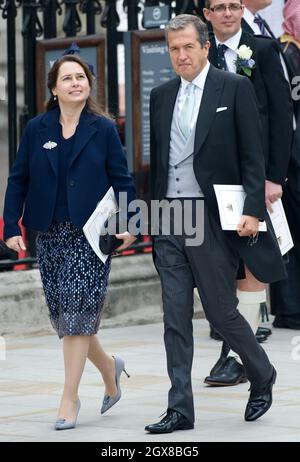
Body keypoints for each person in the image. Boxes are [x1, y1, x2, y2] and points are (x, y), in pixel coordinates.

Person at [145, 14, 284, 434]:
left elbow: (252, 156)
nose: (181, 55)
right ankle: (180, 409)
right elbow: (161, 162)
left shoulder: (234, 87)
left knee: (221, 313)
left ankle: (261, 372)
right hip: (169, 215)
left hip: (208, 216)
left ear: (205, 47)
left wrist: (254, 210)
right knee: (174, 317)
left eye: (188, 47)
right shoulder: (162, 94)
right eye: (174, 49)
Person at [3, 54, 136, 430]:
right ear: (53, 88)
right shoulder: (36, 129)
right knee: (68, 320)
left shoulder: (104, 129)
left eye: (82, 77)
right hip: (48, 234)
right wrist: (11, 225)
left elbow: (123, 180)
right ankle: (111, 369)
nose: (77, 83)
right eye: (68, 78)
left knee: (77, 318)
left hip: (90, 235)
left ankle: (69, 398)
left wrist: (129, 222)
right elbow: (18, 180)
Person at [202, 0, 293, 386]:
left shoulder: (264, 50)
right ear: (206, 13)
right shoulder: (201, 50)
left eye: (234, 6)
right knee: (221, 263)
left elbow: (280, 114)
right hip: (212, 178)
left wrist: (274, 177)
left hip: (254, 176)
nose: (228, 13)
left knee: (253, 258)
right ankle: (233, 347)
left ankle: (237, 354)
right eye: (219, 7)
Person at [270, 0, 300, 329]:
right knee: (288, 234)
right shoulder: (286, 53)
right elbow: (287, 114)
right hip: (292, 160)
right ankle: (289, 308)